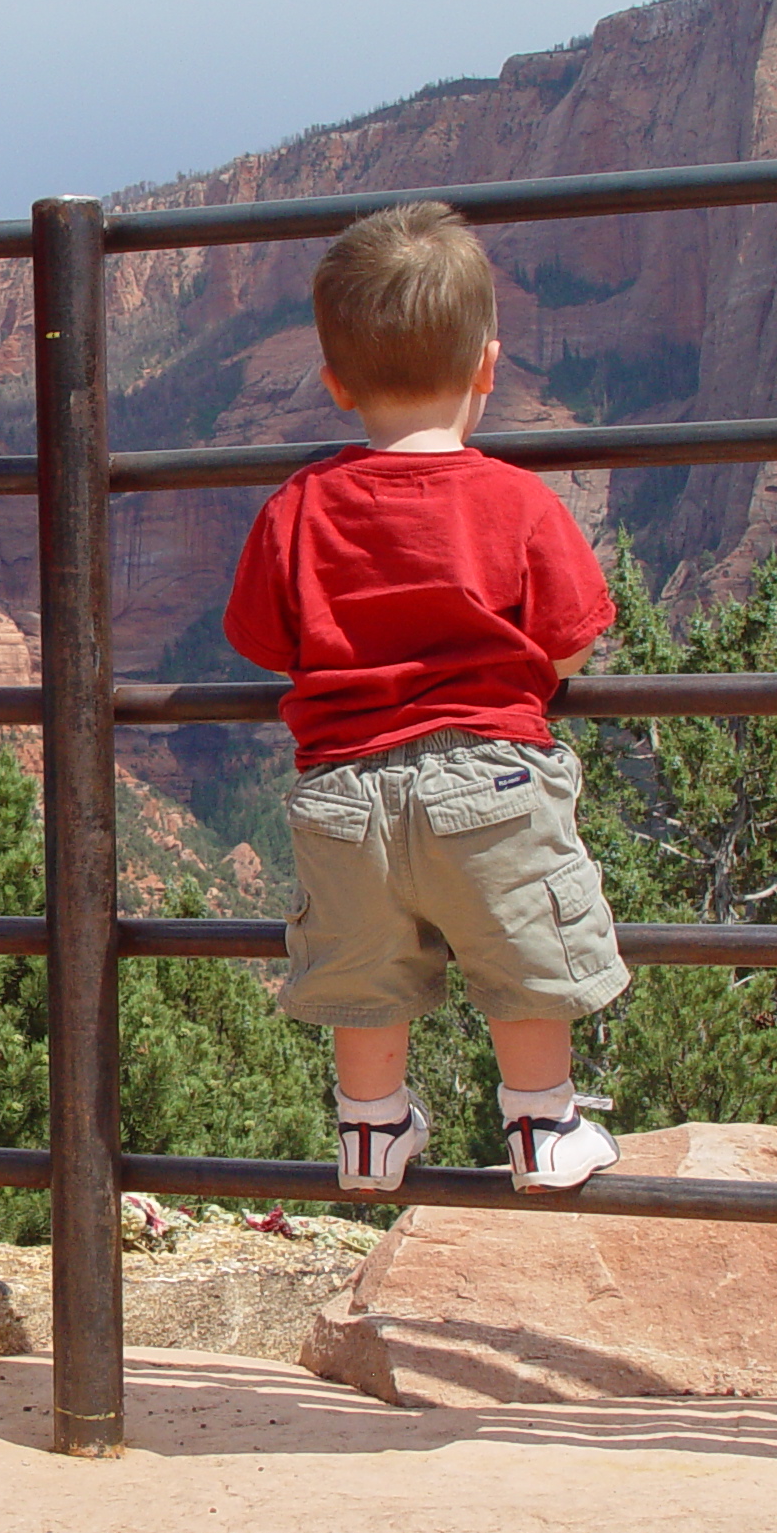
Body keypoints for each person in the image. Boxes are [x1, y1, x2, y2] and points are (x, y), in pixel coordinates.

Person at [221, 202, 630, 1195]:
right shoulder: (519, 501)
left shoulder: (297, 507)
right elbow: (573, 637)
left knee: (362, 974)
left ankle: (369, 1134)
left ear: (333, 381)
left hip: (343, 791)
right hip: (490, 774)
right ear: (487, 366)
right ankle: (541, 1126)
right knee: (524, 947)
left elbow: (263, 640)